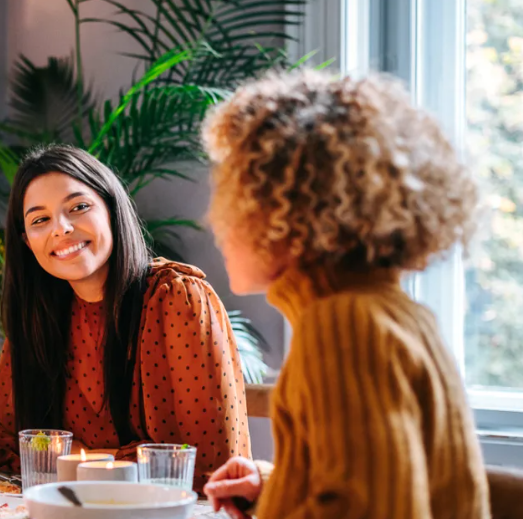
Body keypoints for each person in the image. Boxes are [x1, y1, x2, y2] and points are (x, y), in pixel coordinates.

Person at [200, 71, 488, 518]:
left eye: (230, 188)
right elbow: (389, 480)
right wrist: (275, 487)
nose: (213, 217)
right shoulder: (397, 315)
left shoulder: (343, 326)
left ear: (286, 207)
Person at [0, 145, 250, 492]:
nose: (61, 229)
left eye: (78, 207)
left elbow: (205, 464)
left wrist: (68, 456)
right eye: (40, 220)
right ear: (27, 242)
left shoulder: (177, 298)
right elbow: (6, 434)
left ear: (111, 210)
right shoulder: (39, 315)